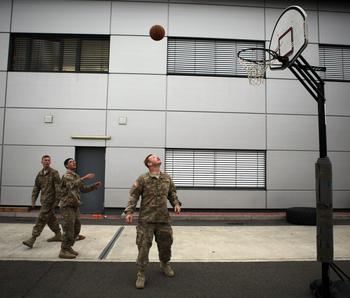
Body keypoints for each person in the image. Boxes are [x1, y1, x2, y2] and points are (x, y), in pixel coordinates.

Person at [124, 154, 182, 289]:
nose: (157, 157)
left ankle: (165, 264)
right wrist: (129, 211)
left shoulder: (166, 178)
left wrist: (176, 204)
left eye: (157, 156)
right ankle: (141, 273)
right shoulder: (143, 179)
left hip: (163, 219)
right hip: (146, 220)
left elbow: (172, 193)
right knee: (143, 247)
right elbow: (134, 195)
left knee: (166, 244)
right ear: (149, 164)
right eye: (154, 157)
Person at [58, 158, 101, 259]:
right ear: (66, 165)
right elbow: (71, 186)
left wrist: (94, 186)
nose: (74, 163)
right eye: (71, 162)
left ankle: (68, 247)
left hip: (74, 205)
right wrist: (85, 178)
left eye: (74, 162)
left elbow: (83, 189)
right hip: (67, 205)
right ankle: (63, 250)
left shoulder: (76, 176)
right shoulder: (66, 176)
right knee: (68, 228)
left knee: (76, 228)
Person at [23, 155, 62, 248]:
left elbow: (58, 188)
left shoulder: (54, 173)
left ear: (50, 162)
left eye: (48, 160)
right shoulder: (40, 174)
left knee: (41, 219)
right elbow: (36, 187)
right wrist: (33, 200)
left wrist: (56, 202)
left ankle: (32, 238)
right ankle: (58, 235)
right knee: (50, 218)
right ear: (42, 162)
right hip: (43, 201)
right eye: (45, 160)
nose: (47, 162)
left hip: (50, 202)